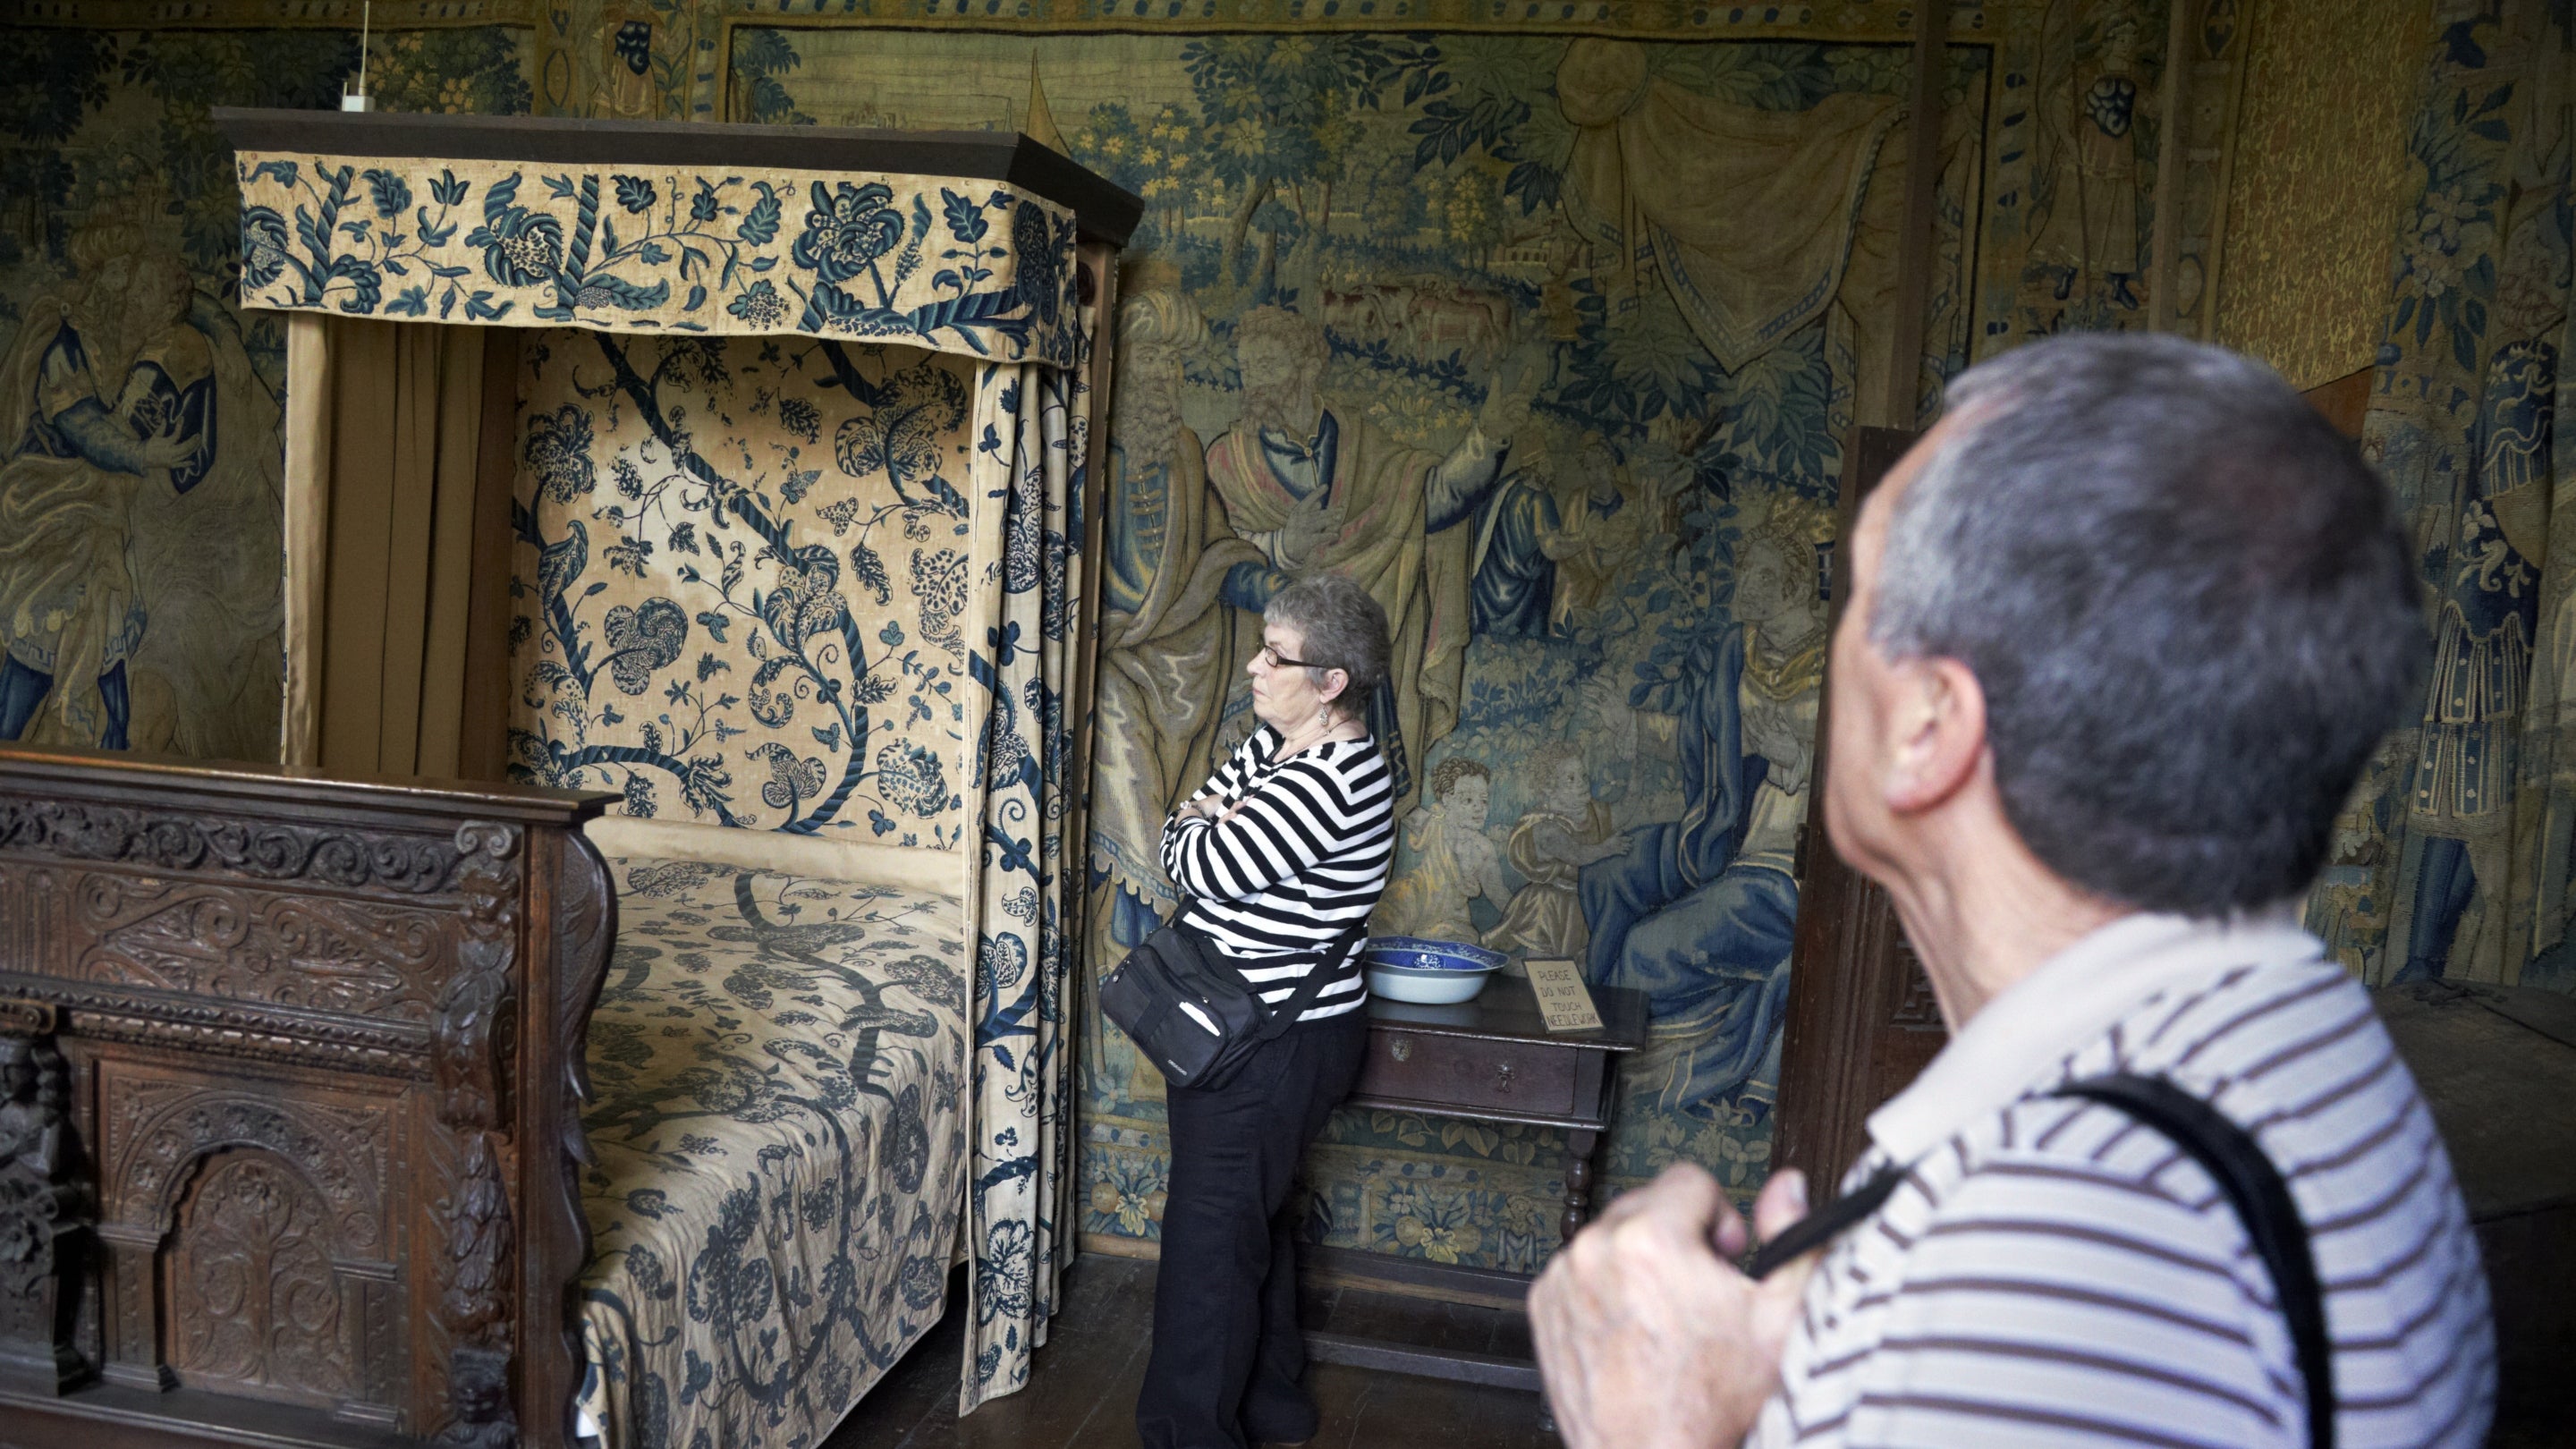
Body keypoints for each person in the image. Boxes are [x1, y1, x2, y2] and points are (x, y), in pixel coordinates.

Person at [1531, 333, 2496, 1448]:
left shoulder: (2034, 1260)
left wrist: (1652, 1427)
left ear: (1930, 726)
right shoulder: (2300, 1048)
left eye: (1856, 595)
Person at [1139, 572, 1397, 1449]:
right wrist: (1201, 825)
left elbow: (1192, 864)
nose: (1253, 667)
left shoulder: (1334, 777)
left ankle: (1190, 1436)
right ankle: (1271, 1405)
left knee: (1208, 1244)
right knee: (1247, 1220)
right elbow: (1184, 836)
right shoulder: (1279, 746)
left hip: (1270, 1044)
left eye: (1276, 657)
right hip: (1246, 1030)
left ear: (1332, 683)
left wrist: (1203, 826)